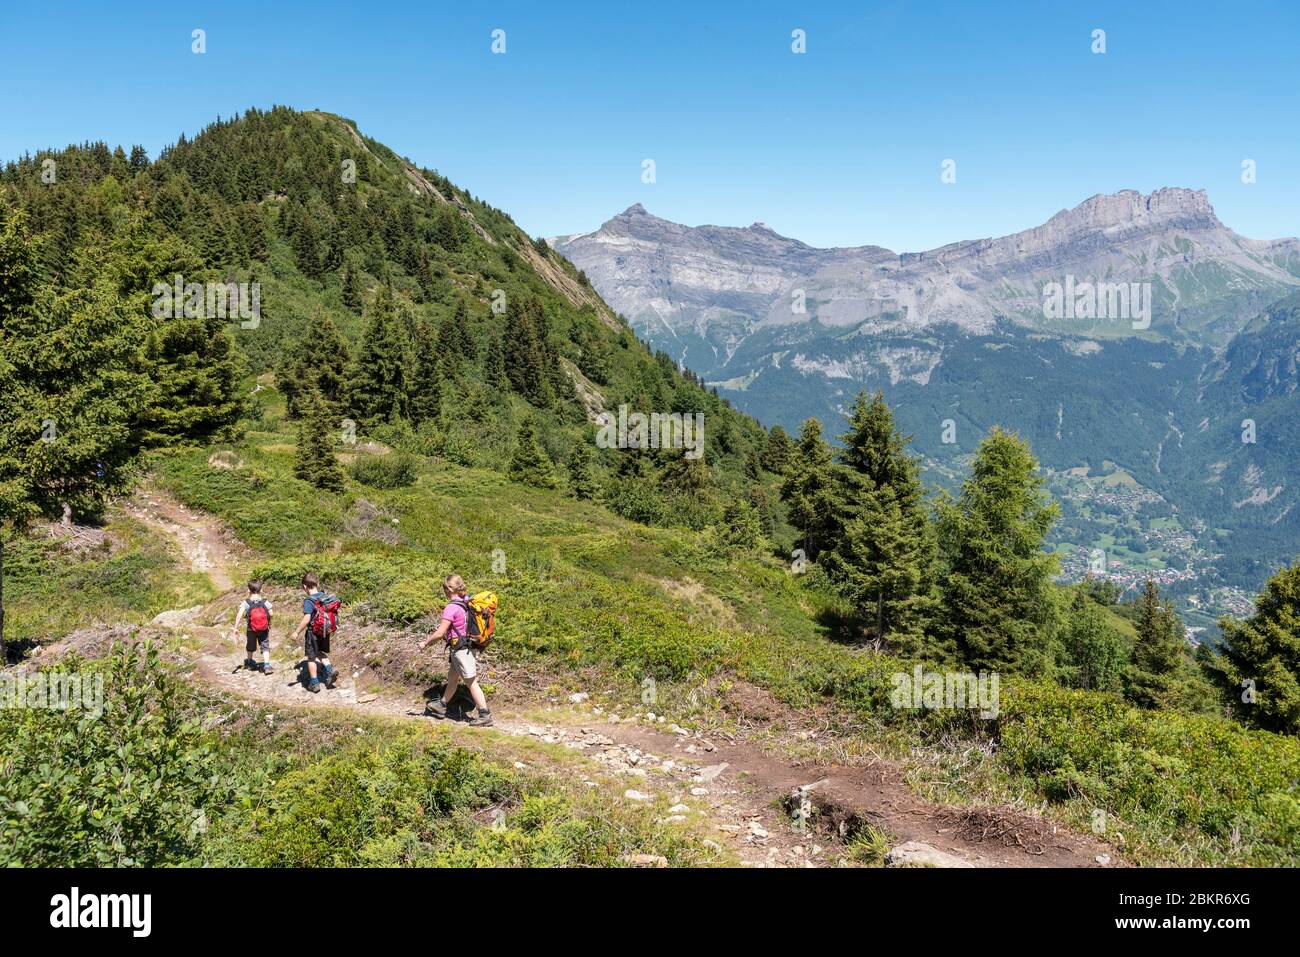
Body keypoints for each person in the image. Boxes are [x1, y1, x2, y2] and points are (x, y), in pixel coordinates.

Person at [421, 574, 492, 726]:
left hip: (461, 650)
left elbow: (440, 633)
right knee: (453, 679)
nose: (444, 592)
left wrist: (425, 643)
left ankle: (484, 714)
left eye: (444, 588)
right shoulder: (467, 601)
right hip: (466, 646)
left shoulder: (451, 607)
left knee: (471, 681)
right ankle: (442, 705)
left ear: (449, 589)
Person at [288, 572, 339, 693]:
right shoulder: (324, 597)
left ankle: (314, 683)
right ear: (318, 583)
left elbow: (306, 619)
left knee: (311, 657)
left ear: (304, 587)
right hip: (325, 631)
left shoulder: (309, 600)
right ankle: (329, 668)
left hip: (313, 632)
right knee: (319, 652)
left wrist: (297, 632)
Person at [231, 580, 274, 674]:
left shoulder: (246, 603)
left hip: (251, 629)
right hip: (264, 629)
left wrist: (235, 627)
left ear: (248, 590)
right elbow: (271, 613)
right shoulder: (265, 602)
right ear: (261, 590)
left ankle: (250, 662)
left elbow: (239, 615)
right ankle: (266, 665)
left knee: (250, 645)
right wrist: (268, 622)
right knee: (265, 646)